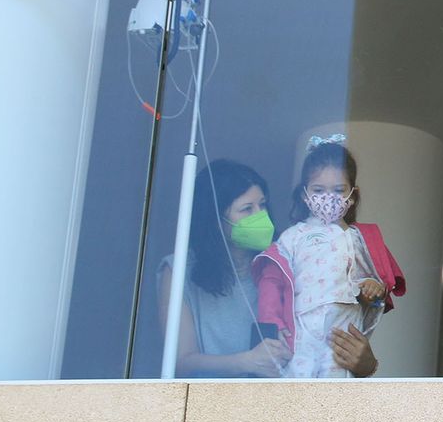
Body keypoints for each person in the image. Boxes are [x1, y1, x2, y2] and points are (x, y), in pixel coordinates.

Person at [254, 139, 406, 378]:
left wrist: (374, 290)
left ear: (352, 196)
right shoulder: (294, 237)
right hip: (303, 328)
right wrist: (274, 324)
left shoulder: (359, 240)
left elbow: (376, 285)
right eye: (318, 190)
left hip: (342, 331)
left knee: (335, 392)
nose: (328, 198)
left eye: (338, 190)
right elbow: (271, 279)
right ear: (305, 195)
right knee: (298, 387)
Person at [156, 160, 292, 377]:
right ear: (216, 220)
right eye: (247, 209)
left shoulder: (281, 262)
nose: (260, 216)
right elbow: (180, 362)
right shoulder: (178, 270)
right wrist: (247, 362)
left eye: (263, 205)